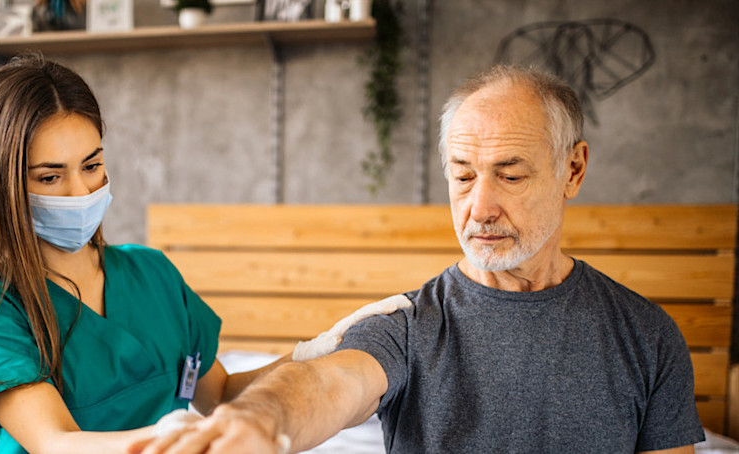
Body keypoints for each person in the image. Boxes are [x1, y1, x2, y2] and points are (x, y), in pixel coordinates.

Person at [132, 65, 705, 454]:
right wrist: (261, 420)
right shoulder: (406, 324)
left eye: (510, 175)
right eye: (461, 177)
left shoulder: (648, 336)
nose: (480, 208)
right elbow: (330, 384)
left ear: (572, 170)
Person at [0, 55, 284, 453]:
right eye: (50, 176)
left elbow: (220, 393)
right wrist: (181, 439)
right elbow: (59, 444)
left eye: (92, 165)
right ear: (1, 185)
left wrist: (312, 357)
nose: (81, 192)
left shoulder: (153, 274)